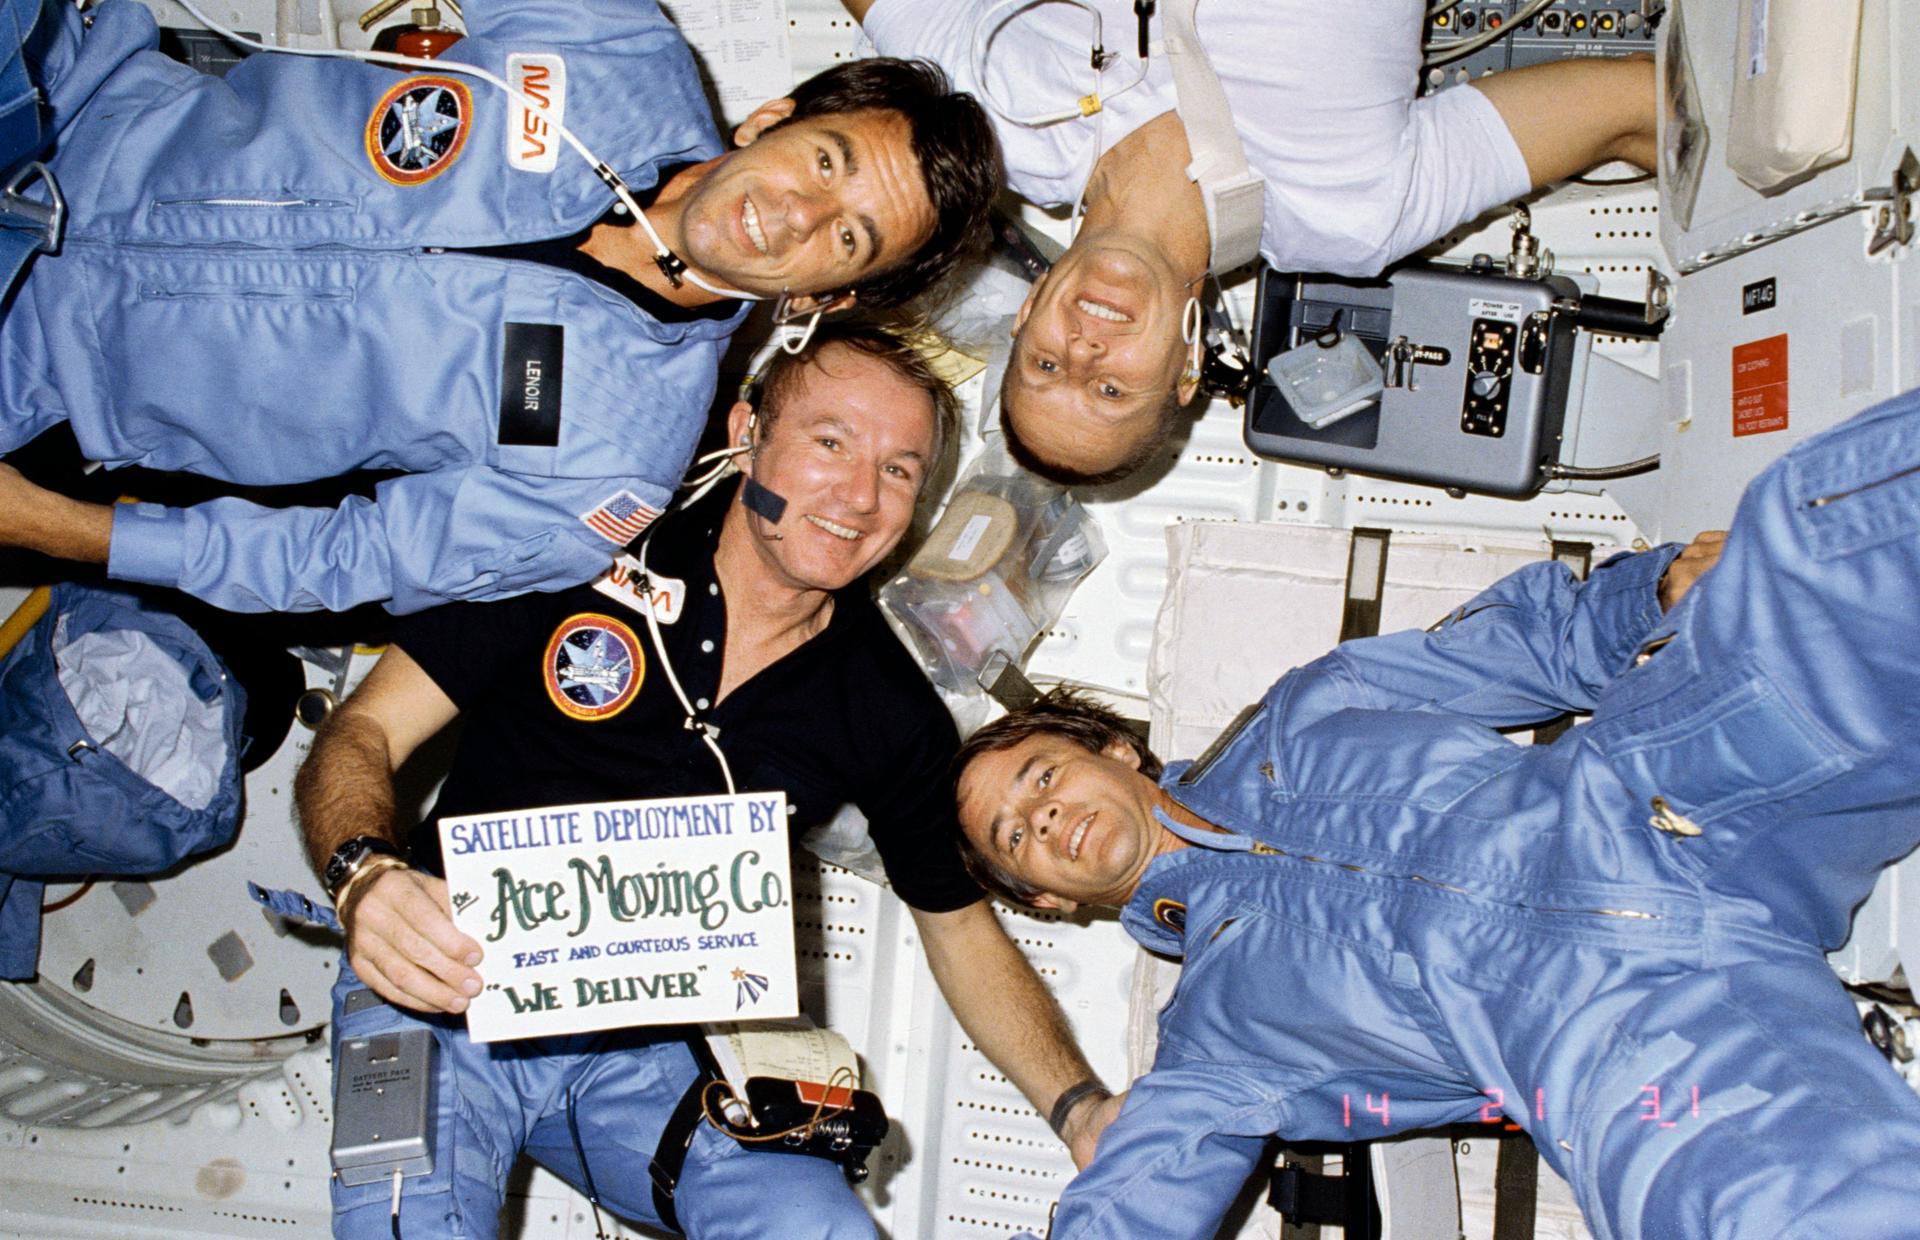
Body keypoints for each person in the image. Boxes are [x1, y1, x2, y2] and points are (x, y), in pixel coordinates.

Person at [951, 384, 1920, 1238]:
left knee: (1826, 528)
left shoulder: (1311, 709)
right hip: (1607, 1028)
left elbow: (1526, 645)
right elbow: (1129, 1209)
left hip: (1651, 791)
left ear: (1111, 748)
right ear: (1045, 901)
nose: (1041, 820)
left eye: (1040, 777)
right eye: (1014, 840)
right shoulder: (1213, 1041)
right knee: (1763, 1209)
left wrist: (1652, 594)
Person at [282, 323, 1118, 1238]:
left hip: (640, 1065)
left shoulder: (886, 709)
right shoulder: (575, 555)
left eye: (898, 470)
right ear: (747, 431)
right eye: (831, 442)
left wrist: (1078, 1109)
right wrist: (364, 876)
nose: (858, 494)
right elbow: (361, 733)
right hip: (437, 989)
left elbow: (959, 931)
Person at [0, 0, 999, 612]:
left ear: (831, 293)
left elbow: (340, 558)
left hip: (39, 364)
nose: (795, 214)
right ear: (775, 116)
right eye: (826, 161)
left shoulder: (613, 463)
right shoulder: (612, 50)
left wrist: (60, 527)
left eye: (847, 235)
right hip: (58, 95)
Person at [844, 0, 1656, 484]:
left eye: (1047, 366)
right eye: (1111, 391)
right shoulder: (1350, 215)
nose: (1084, 353)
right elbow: (1631, 110)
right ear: (1189, 369)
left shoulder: (998, 131)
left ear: (1024, 321)